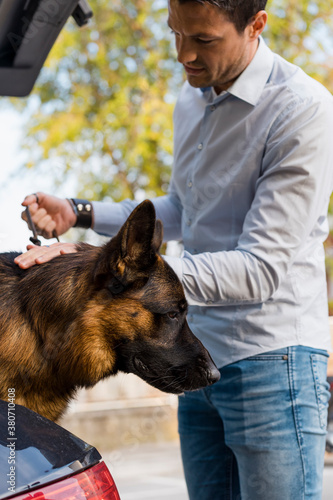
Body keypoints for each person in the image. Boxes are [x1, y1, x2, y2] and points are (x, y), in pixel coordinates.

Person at [15, 1, 333, 498]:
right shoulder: (192, 99)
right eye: (175, 34)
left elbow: (261, 268)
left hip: (272, 360)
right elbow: (185, 208)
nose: (184, 54)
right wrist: (78, 213)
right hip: (190, 343)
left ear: (256, 26)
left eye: (203, 39)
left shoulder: (302, 109)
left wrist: (110, 267)